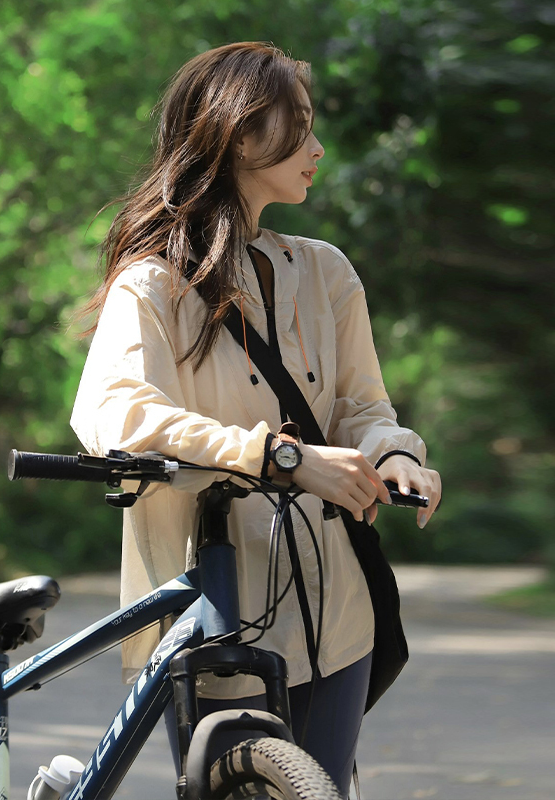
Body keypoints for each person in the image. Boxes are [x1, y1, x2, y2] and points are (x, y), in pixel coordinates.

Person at [70, 41, 442, 796]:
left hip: (336, 607)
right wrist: (278, 457)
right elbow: (114, 413)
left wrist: (393, 453)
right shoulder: (154, 284)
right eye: (299, 127)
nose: (317, 148)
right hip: (214, 603)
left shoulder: (327, 271)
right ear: (241, 135)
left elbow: (361, 408)